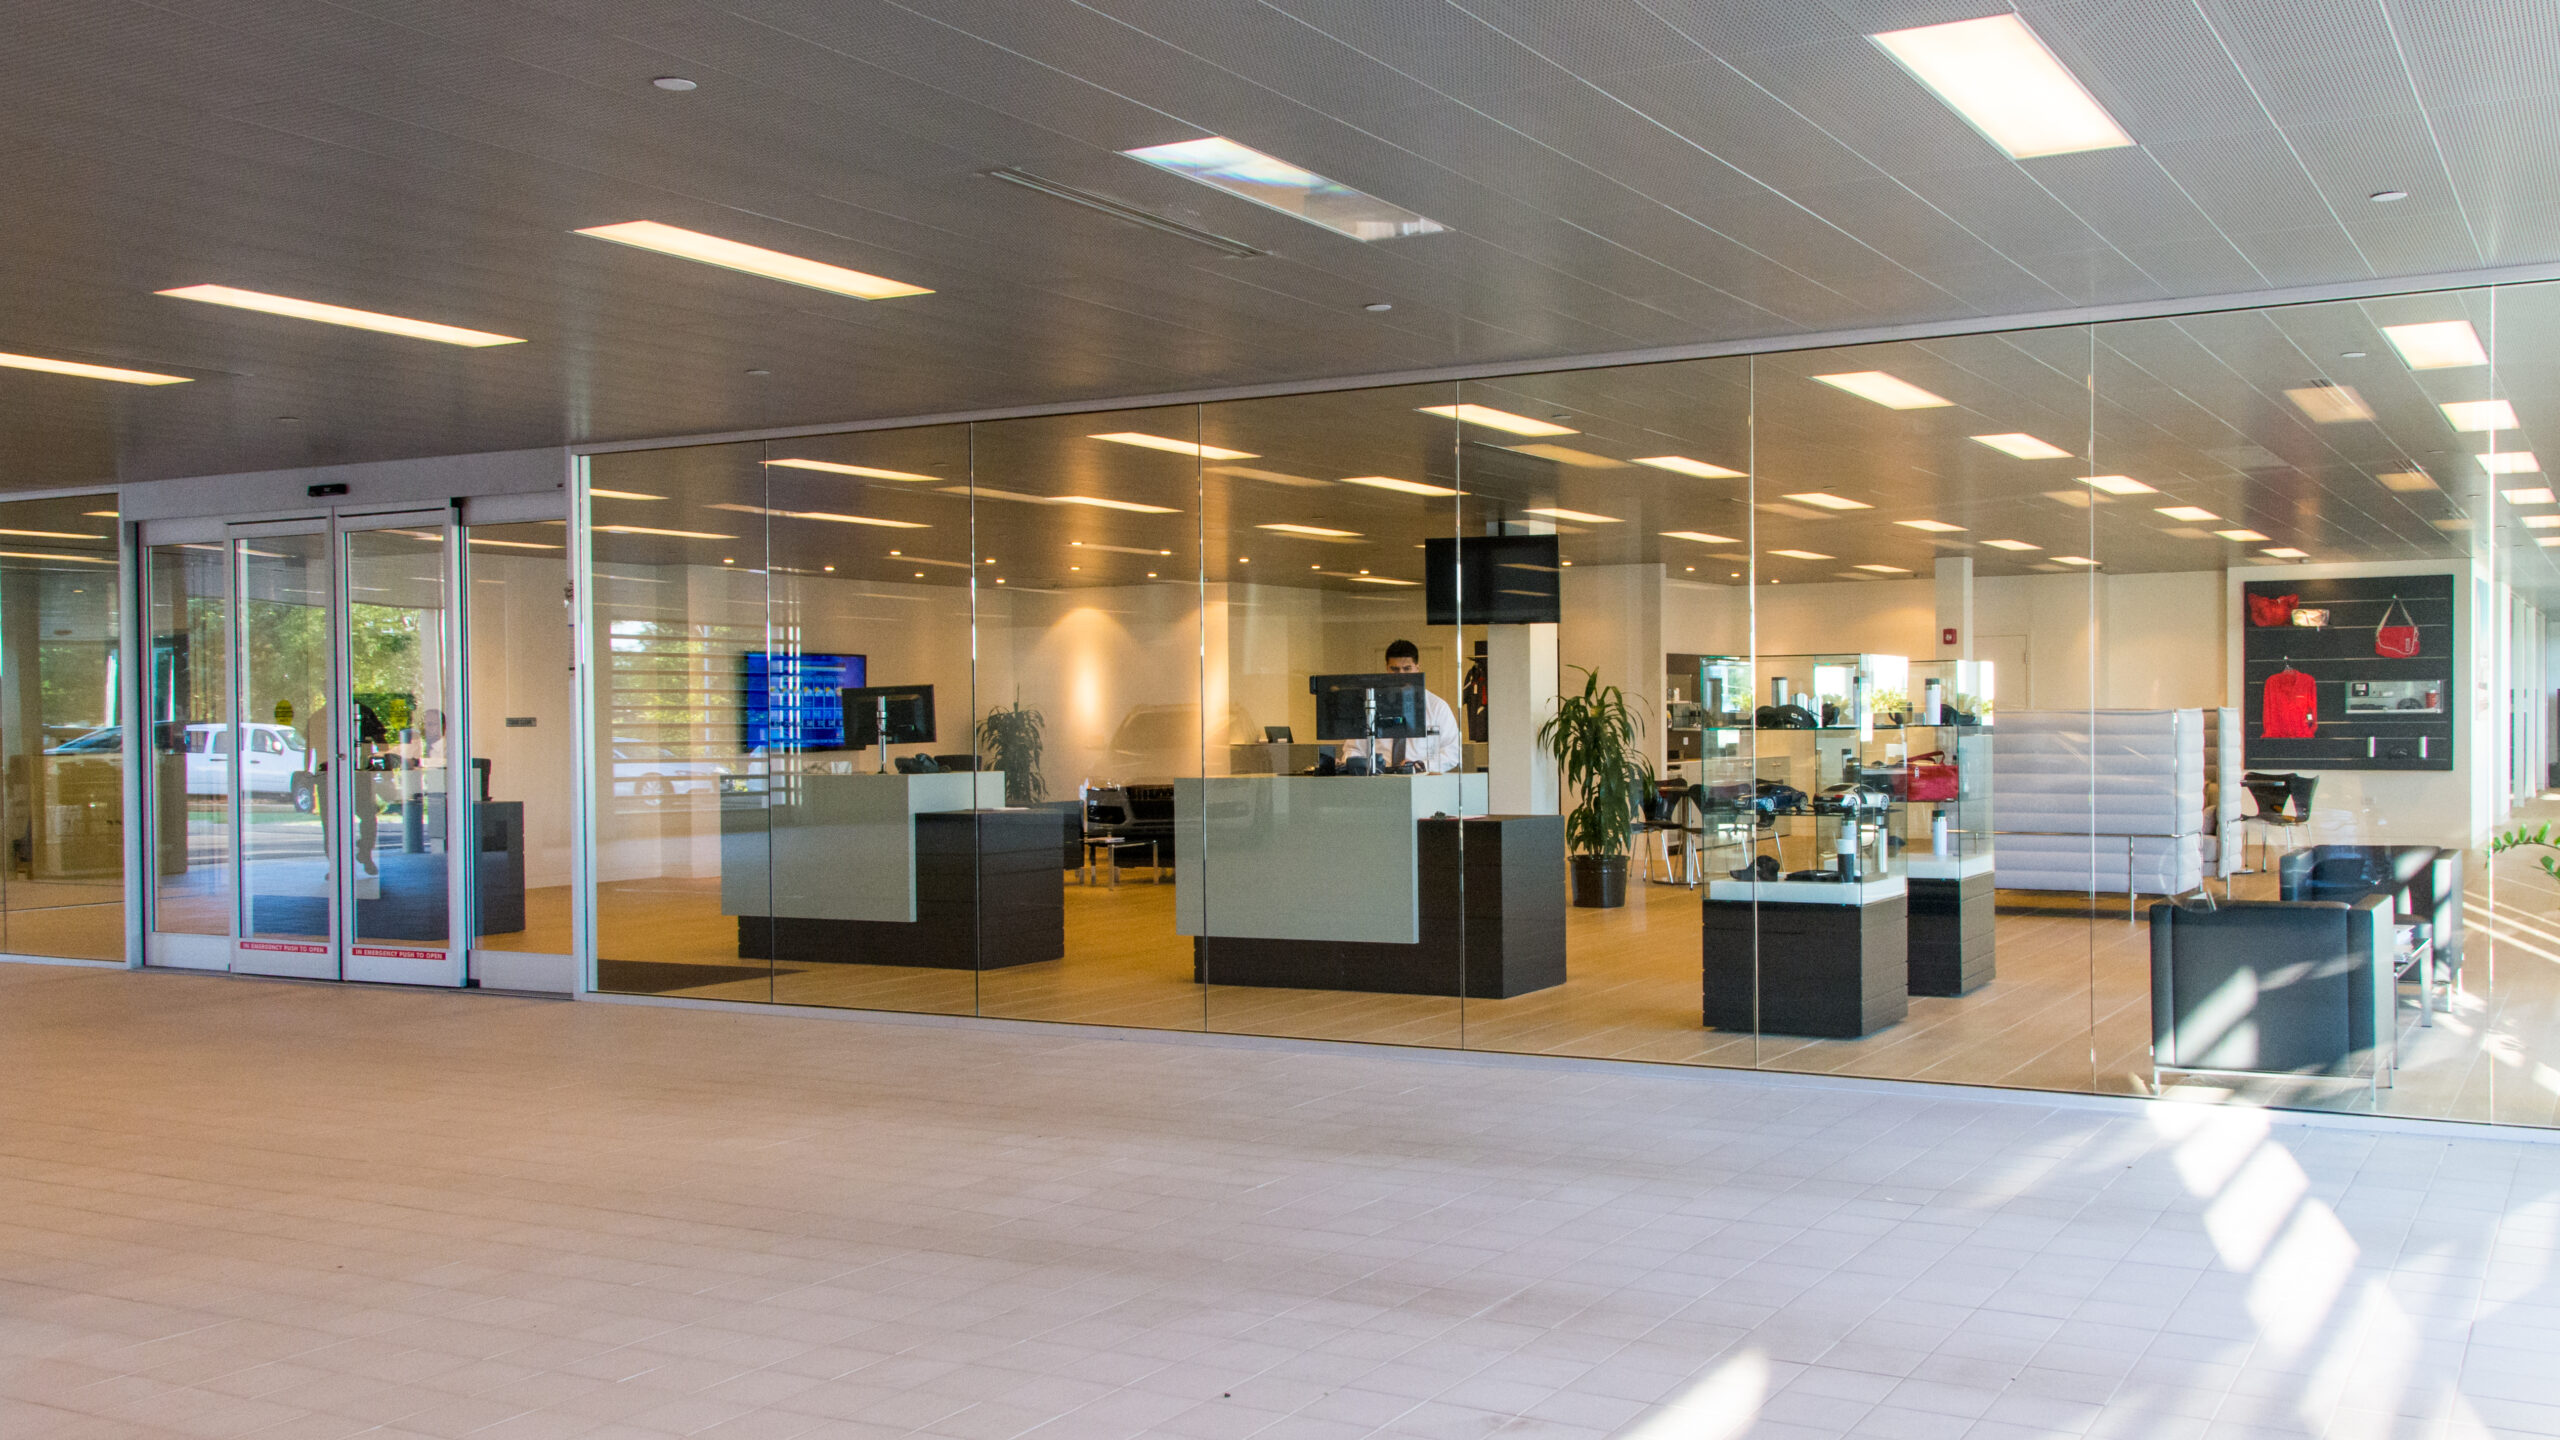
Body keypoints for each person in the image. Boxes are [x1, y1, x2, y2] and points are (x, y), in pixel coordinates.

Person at [1338, 639, 1462, 774]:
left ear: (1417, 668)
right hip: (1378, 780)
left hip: (1420, 781)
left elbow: (1453, 751)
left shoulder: (1437, 707)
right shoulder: (1370, 705)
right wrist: (1354, 764)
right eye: (1395, 669)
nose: (1401, 675)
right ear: (1387, 669)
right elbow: (1353, 749)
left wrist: (1420, 766)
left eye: (1407, 668)